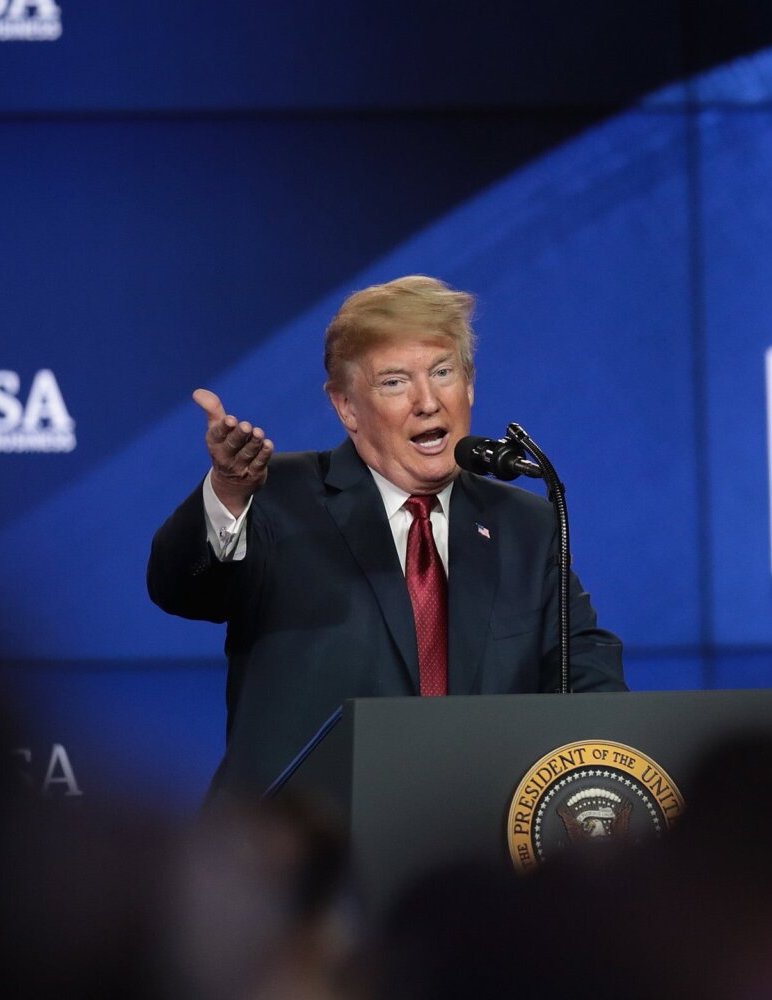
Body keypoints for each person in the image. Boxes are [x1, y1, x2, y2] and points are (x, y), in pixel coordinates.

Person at [148, 275, 626, 798]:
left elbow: (587, 682)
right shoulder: (277, 497)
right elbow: (179, 589)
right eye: (395, 382)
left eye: (442, 372)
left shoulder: (525, 525)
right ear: (347, 406)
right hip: (300, 857)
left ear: (469, 384)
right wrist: (228, 493)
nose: (427, 402)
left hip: (469, 845)